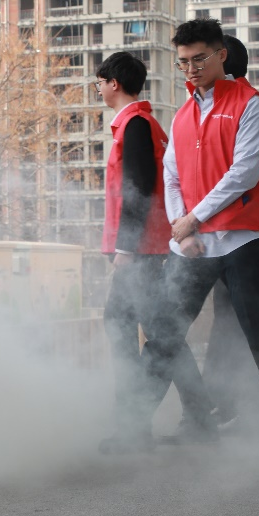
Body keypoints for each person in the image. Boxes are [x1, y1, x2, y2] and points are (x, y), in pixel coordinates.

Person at [154, 17, 259, 457]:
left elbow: (242, 175)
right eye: (183, 61)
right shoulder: (184, 111)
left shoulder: (253, 106)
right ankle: (133, 423)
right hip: (191, 246)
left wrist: (194, 219)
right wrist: (181, 229)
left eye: (198, 59)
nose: (189, 68)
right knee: (162, 331)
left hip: (242, 242)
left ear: (221, 55)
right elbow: (171, 174)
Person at [200, 37, 259, 432]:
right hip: (241, 231)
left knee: (258, 324)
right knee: (234, 321)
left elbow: (242, 174)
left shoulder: (253, 112)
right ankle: (235, 405)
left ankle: (250, 407)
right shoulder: (245, 112)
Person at [91, 52, 171, 454]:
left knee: (129, 329)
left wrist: (125, 247)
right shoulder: (142, 124)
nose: (99, 89)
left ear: (114, 83)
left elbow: (140, 189)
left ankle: (133, 424)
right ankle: (141, 423)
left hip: (141, 251)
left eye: (100, 82)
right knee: (160, 335)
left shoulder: (136, 125)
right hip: (147, 249)